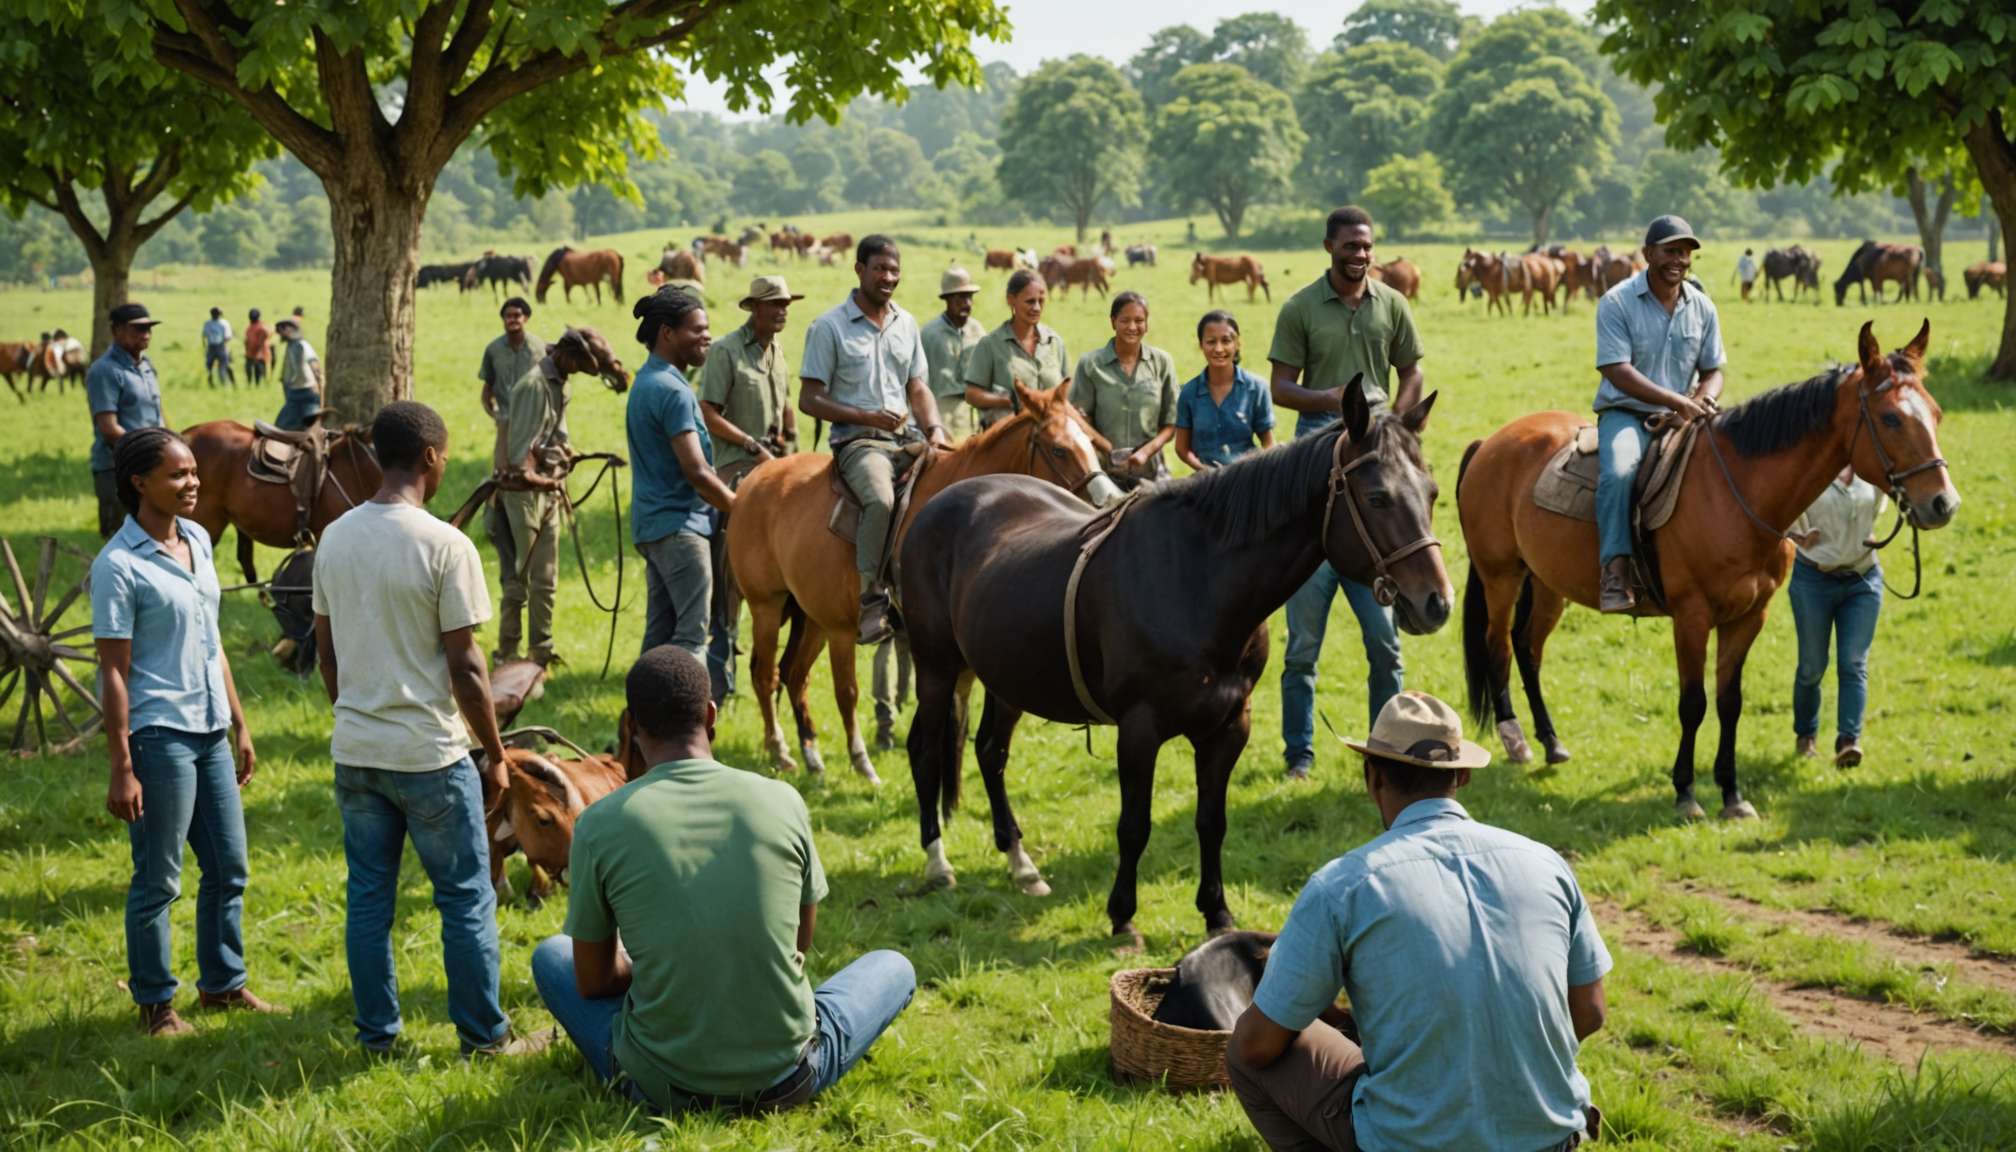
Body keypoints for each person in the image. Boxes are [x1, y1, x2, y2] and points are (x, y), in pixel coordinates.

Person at [532, 644, 916, 1113]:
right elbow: (800, 939)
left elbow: (592, 982)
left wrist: (655, 962)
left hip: (661, 1087)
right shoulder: (784, 799)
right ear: (711, 715)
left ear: (631, 724)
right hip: (788, 1078)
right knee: (895, 967)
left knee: (553, 955)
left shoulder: (598, 824)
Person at [1227, 691, 1609, 1152]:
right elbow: (1589, 1011)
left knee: (1243, 1048)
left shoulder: (1343, 885)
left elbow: (1257, 1046)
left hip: (1412, 1142)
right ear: (1463, 775)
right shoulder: (1547, 863)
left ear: (1372, 777)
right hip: (1551, 1138)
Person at [311, 400, 552, 1060]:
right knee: (466, 898)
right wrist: (496, 755)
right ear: (430, 458)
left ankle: (376, 1038)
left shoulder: (334, 538)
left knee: (368, 901)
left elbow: (327, 655)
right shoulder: (445, 543)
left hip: (357, 750)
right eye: (445, 456)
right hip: (429, 756)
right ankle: (485, 1036)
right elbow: (467, 666)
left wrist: (356, 712)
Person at [93, 427, 277, 1037]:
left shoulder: (198, 538)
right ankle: (155, 1005)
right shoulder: (118, 566)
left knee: (229, 867)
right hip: (158, 735)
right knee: (159, 878)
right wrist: (122, 765)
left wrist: (240, 723)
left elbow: (212, 638)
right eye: (177, 475)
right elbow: (114, 674)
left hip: (209, 727)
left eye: (194, 471)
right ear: (139, 483)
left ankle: (223, 986)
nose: (193, 482)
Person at [1266, 206, 1427, 780]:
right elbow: (1280, 387)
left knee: (1385, 645)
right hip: (1317, 463)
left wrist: (1396, 422)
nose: (1361, 254)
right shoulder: (1301, 307)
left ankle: (1387, 753)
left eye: (1368, 246)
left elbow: (1411, 370)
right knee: (1301, 648)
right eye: (1351, 245)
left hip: (1375, 460)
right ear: (1329, 246)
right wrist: (1330, 398)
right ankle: (1298, 757)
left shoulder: (1393, 303)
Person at [800, 235, 953, 646]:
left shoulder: (906, 323)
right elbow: (809, 398)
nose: (888, 277)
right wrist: (865, 415)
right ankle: (872, 597)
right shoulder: (828, 326)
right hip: (859, 443)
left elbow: (918, 388)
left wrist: (937, 429)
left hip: (909, 437)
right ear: (859, 270)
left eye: (894, 270)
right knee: (881, 500)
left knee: (958, 486)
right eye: (880, 269)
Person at [1593, 215, 1725, 614]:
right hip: (1628, 414)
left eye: (1685, 253)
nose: (1679, 260)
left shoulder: (1702, 307)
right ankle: (1614, 573)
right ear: (1648, 254)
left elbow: (1713, 369)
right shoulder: (1616, 302)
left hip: (1687, 415)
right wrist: (1676, 401)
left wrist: (1704, 397)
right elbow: (1616, 369)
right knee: (1618, 472)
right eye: (1670, 251)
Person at [697, 275, 802, 705]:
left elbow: (786, 404)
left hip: (773, 464)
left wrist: (789, 439)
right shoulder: (725, 351)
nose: (782, 311)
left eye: (786, 304)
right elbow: (707, 411)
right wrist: (749, 443)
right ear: (754, 308)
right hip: (736, 468)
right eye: (774, 304)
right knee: (725, 575)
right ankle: (718, 679)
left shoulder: (777, 354)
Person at [628, 286, 737, 659]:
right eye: (697, 329)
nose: (706, 336)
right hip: (681, 529)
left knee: (658, 641)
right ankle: (691, 718)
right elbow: (698, 472)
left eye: (707, 328)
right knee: (691, 639)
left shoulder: (646, 381)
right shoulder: (673, 391)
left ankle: (638, 717)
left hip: (653, 527)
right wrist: (741, 507)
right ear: (668, 333)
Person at [485, 316, 594, 668]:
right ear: (565, 354)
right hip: (522, 494)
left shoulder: (562, 384)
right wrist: (548, 478)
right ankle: (508, 652)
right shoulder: (533, 386)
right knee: (521, 578)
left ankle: (541, 653)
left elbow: (555, 438)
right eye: (578, 364)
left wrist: (564, 457)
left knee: (546, 579)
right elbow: (519, 460)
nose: (578, 372)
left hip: (547, 491)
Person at [1789, 467, 1886, 768]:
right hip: (1813, 582)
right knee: (1812, 668)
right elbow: (1780, 509)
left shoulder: (1870, 470)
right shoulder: (1808, 470)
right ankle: (1806, 736)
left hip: (1863, 579)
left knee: (1853, 663)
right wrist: (1797, 535)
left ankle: (1848, 743)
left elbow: (1880, 502)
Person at [1073, 291, 1180, 491]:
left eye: (1139, 320)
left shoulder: (1162, 363)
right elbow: (1078, 416)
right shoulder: (1090, 365)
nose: (1132, 327)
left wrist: (1146, 452)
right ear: (1113, 322)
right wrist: (1105, 448)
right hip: (1102, 472)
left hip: (1151, 471)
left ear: (1146, 324)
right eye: (1125, 320)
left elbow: (1171, 424)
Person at [87, 302, 167, 538]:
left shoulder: (147, 366)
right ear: (118, 331)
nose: (147, 335)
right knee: (121, 545)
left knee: (153, 541)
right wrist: (153, 449)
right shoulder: (105, 370)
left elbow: (156, 414)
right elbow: (109, 428)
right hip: (116, 471)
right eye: (139, 329)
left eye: (149, 329)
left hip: (151, 468)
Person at [963, 268, 1069, 432]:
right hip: (1008, 439)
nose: (1037, 308)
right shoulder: (990, 345)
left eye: (1041, 301)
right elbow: (972, 394)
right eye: (1030, 301)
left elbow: (1067, 391)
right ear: (1011, 300)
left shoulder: (1053, 342)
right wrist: (1008, 401)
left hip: (1051, 439)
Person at [1175, 309, 1275, 471]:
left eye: (1226, 341)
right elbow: (1181, 448)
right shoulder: (1189, 393)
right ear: (1201, 345)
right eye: (1211, 341)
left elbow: (1269, 444)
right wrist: (1205, 472)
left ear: (1237, 343)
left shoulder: (1256, 388)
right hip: (1204, 483)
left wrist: (1254, 475)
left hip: (1247, 481)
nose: (1219, 349)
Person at [922, 267, 986, 435]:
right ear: (947, 299)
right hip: (938, 421)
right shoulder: (929, 335)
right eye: (961, 297)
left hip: (972, 421)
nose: (967, 303)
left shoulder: (978, 331)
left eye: (970, 297)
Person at [478, 296, 545, 422]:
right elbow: (488, 384)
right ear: (503, 319)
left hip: (534, 419)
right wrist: (494, 414)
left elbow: (547, 384)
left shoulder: (538, 348)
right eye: (508, 316)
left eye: (517, 315)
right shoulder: (493, 350)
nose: (512, 319)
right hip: (506, 417)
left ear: (526, 318)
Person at [273, 317, 325, 432]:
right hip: (294, 394)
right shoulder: (291, 346)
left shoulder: (302, 345)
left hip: (307, 393)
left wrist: (320, 385)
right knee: (282, 426)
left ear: (291, 329)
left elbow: (315, 365)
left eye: (283, 329)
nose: (281, 333)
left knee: (311, 427)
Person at [202, 308, 234, 387]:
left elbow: (204, 336)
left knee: (219, 366)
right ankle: (218, 383)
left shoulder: (209, 324)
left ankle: (223, 384)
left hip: (217, 346)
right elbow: (228, 337)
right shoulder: (222, 323)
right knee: (216, 366)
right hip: (217, 346)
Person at [243, 309, 273, 388]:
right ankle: (250, 385)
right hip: (251, 353)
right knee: (249, 370)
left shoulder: (262, 328)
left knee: (259, 372)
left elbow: (260, 342)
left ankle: (259, 386)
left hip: (260, 354)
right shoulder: (250, 327)